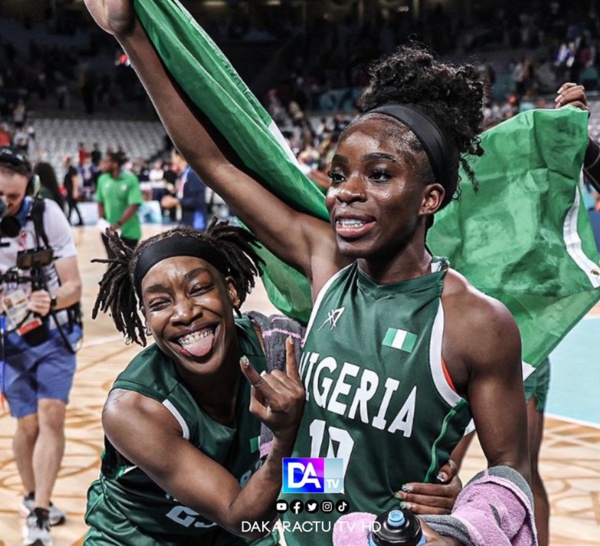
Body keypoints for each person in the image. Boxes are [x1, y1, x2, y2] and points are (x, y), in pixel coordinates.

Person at [84, 3, 531, 545]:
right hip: (300, 520)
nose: (345, 191)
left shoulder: (474, 322)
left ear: (429, 199)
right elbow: (213, 162)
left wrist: (460, 515)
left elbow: (511, 480)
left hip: (384, 533)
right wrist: (131, 34)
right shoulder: (328, 264)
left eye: (380, 175)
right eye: (340, 174)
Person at [84, 221, 306, 545]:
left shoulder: (279, 349)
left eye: (199, 289)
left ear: (231, 290)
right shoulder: (133, 411)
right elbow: (242, 518)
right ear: (146, 318)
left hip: (235, 529)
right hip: (137, 537)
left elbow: (324, 473)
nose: (184, 313)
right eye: (160, 304)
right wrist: (286, 442)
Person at [0, 146, 83, 546]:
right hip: (8, 339)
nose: (6, 204)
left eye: (13, 197)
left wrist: (51, 300)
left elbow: (74, 287)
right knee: (26, 424)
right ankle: (32, 495)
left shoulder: (47, 215)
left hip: (53, 334)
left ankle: (40, 513)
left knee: (51, 418)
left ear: (28, 189)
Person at [94, 150, 143, 258]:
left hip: (128, 231)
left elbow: (134, 204)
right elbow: (100, 201)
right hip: (108, 231)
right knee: (112, 262)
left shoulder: (130, 179)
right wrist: (102, 220)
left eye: (106, 162)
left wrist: (119, 224)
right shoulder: (102, 179)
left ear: (115, 164)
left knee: (130, 264)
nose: (103, 164)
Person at [160, 149, 208, 230]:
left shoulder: (193, 174)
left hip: (196, 224)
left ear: (179, 156)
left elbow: (198, 200)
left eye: (173, 157)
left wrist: (175, 201)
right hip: (186, 221)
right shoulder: (184, 174)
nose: (172, 160)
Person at [63, 155, 84, 226]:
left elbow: (75, 181)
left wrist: (75, 192)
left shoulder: (72, 169)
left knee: (72, 206)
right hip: (69, 191)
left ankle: (72, 220)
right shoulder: (69, 169)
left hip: (71, 192)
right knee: (72, 206)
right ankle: (76, 220)